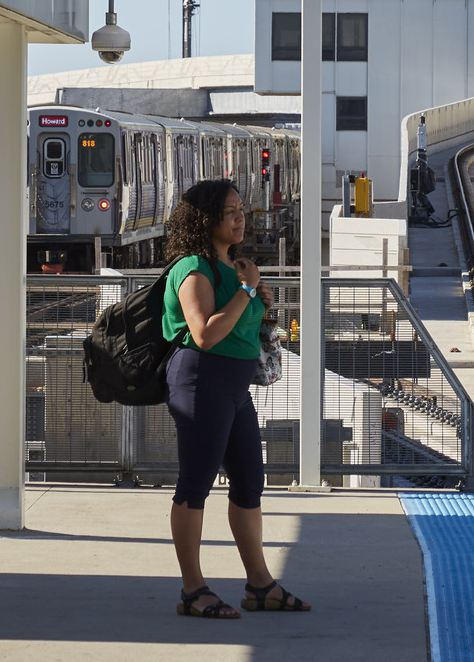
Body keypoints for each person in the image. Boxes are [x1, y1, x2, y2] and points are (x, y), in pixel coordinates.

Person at [162, 178, 312, 618]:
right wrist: (247, 292)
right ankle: (193, 590)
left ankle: (260, 584)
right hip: (201, 380)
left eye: (241, 208)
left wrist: (253, 290)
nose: (240, 216)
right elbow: (205, 334)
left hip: (233, 387)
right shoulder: (192, 268)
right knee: (195, 484)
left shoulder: (235, 264)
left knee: (249, 481)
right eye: (230, 211)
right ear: (206, 219)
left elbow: (243, 325)